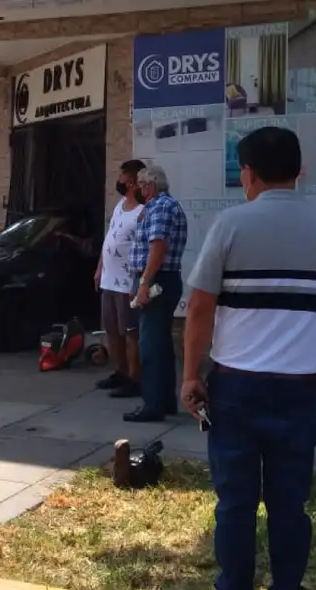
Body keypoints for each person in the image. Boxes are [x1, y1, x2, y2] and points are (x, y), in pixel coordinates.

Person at [180, 126, 316, 590]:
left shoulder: (232, 225)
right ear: (299, 172)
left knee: (235, 503)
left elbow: (200, 307)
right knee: (289, 504)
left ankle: (234, 584)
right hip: (299, 387)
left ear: (249, 173)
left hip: (236, 385)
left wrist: (190, 375)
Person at [124, 165, 187, 422]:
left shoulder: (160, 206)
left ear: (152, 184)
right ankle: (165, 401)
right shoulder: (161, 206)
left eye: (140, 183)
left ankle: (152, 404)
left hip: (157, 280)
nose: (137, 188)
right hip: (162, 279)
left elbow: (157, 247)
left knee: (149, 345)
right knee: (160, 343)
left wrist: (143, 284)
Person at [94, 160, 146, 398]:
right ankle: (120, 372)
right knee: (112, 330)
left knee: (130, 332)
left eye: (122, 178)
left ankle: (135, 378)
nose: (119, 182)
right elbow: (109, 239)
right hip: (109, 280)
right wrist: (99, 269)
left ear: (133, 182)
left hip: (127, 282)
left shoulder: (142, 211)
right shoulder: (120, 205)